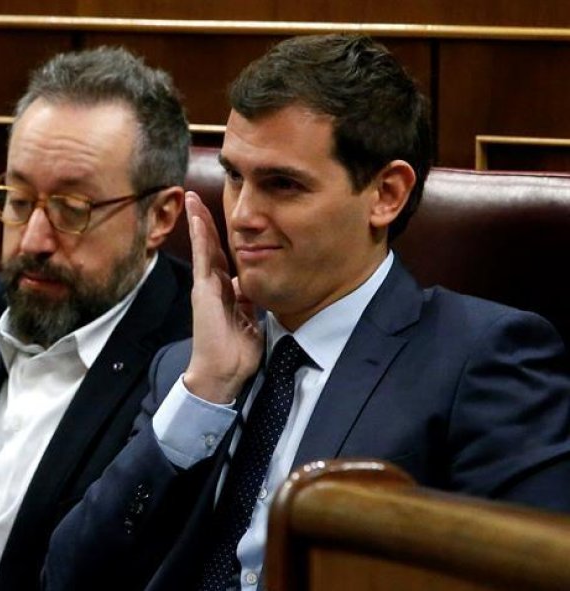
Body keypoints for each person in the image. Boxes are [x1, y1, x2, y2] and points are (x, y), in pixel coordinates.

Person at [45, 34, 570, 591]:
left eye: (282, 185)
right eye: (234, 177)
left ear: (385, 194)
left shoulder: (479, 359)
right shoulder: (187, 369)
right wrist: (205, 392)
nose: (243, 214)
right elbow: (69, 578)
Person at [0, 47, 192, 591]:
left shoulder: (194, 370)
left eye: (72, 210)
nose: (33, 240)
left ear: (160, 216)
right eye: (19, 199)